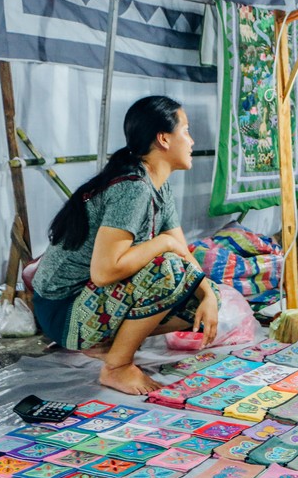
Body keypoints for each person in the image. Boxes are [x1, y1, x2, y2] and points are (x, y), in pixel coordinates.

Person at [31, 96, 219, 395]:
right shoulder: (132, 188)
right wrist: (164, 242)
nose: (192, 140)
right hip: (63, 312)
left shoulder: (158, 185)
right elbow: (105, 272)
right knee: (166, 271)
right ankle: (117, 366)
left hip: (88, 303)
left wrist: (208, 294)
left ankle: (110, 345)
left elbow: (184, 258)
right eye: (185, 130)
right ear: (163, 139)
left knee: (199, 290)